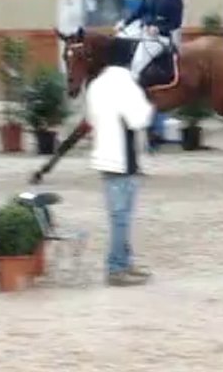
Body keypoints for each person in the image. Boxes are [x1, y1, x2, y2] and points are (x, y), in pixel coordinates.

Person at [85, 44, 156, 286]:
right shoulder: (126, 83)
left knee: (119, 217)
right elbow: (139, 119)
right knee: (121, 218)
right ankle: (116, 268)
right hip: (125, 158)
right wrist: (149, 106)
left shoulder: (95, 84)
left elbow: (91, 118)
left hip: (104, 157)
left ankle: (124, 262)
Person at [114, 0, 184, 82]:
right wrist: (124, 23)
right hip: (142, 30)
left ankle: (134, 86)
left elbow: (176, 22)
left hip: (159, 37)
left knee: (136, 65)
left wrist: (159, 29)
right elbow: (139, 11)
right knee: (119, 39)